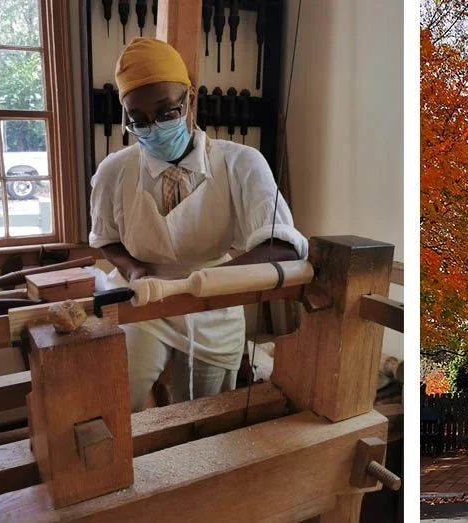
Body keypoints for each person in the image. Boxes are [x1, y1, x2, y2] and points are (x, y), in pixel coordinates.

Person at [89, 38, 307, 412]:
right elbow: (106, 238)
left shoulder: (241, 164)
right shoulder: (115, 172)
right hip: (144, 297)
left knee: (205, 415)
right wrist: (133, 268)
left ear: (191, 99)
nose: (153, 127)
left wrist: (206, 285)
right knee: (117, 400)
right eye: (138, 120)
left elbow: (282, 245)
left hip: (216, 301)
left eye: (166, 112)